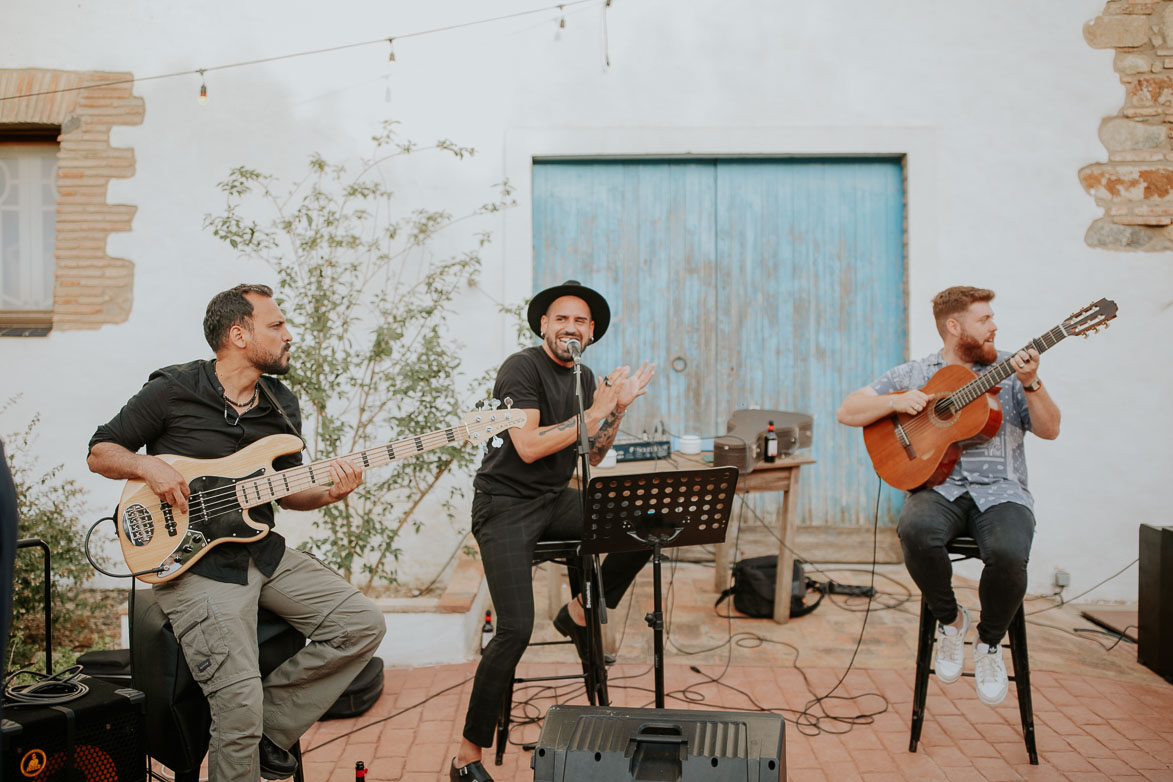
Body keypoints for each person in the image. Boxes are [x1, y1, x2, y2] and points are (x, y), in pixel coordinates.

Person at [87, 284, 386, 782]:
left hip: (260, 551)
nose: (289, 336)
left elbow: (289, 493)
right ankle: (249, 726)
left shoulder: (280, 403)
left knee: (361, 624)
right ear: (238, 334)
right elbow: (101, 451)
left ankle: (268, 731)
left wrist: (331, 491)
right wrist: (148, 468)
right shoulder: (173, 389)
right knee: (237, 704)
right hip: (194, 565)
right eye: (277, 326)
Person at [451, 280, 655, 781]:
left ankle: (582, 612)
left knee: (645, 522)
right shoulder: (521, 368)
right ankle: (466, 756)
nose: (571, 327)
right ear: (544, 325)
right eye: (561, 318)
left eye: (581, 321)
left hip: (552, 498)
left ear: (590, 333)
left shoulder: (585, 380)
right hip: (504, 506)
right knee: (516, 628)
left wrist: (618, 407)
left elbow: (595, 453)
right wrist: (600, 408)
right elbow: (528, 446)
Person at [836, 285, 1060, 706]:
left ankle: (990, 642)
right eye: (984, 320)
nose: (994, 326)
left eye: (993, 318)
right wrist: (896, 402)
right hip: (939, 487)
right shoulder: (915, 373)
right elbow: (847, 410)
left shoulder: (1012, 371)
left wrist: (1033, 384)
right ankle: (952, 621)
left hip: (1002, 491)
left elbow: (1050, 429)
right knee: (915, 530)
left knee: (1010, 552)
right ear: (954, 327)